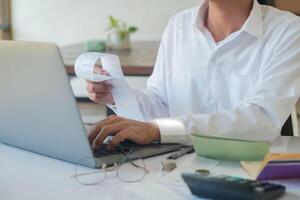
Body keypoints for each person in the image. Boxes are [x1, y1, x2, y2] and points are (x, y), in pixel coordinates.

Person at [87, 0, 300, 150]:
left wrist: (159, 130)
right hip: (175, 164)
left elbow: (260, 119)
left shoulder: (288, 31)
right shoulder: (178, 25)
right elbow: (161, 101)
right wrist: (117, 94)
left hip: (249, 171)